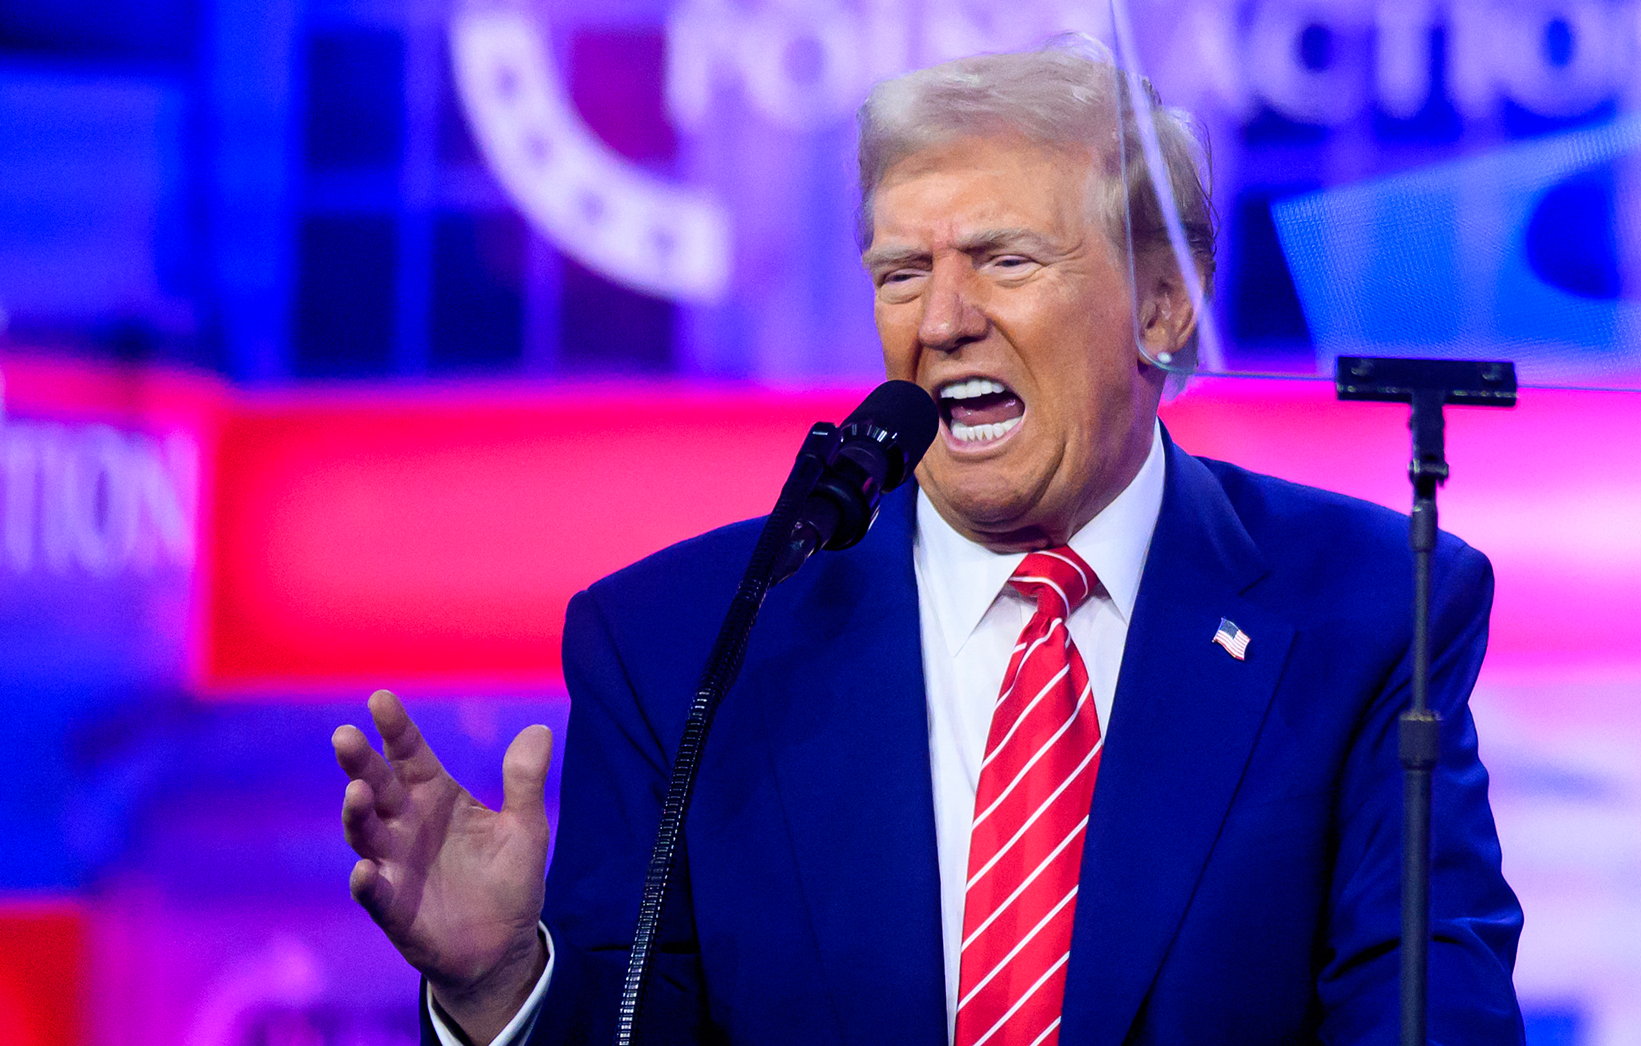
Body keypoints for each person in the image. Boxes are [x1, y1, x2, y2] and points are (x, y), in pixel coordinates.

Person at [333, 41, 1524, 1046]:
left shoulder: (1365, 612)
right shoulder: (679, 645)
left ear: (1163, 305)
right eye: (903, 270)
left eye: (1004, 258)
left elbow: (1428, 1006)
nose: (942, 320)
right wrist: (502, 983)